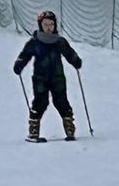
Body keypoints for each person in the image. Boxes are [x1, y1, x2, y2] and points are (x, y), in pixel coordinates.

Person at [14, 10, 84, 141]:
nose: (48, 27)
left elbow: (69, 53)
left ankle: (69, 128)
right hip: (40, 78)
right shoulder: (35, 42)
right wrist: (19, 64)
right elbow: (25, 55)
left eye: (51, 24)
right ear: (40, 25)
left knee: (61, 101)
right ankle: (33, 131)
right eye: (45, 24)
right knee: (40, 101)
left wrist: (75, 61)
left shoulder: (59, 42)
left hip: (57, 77)